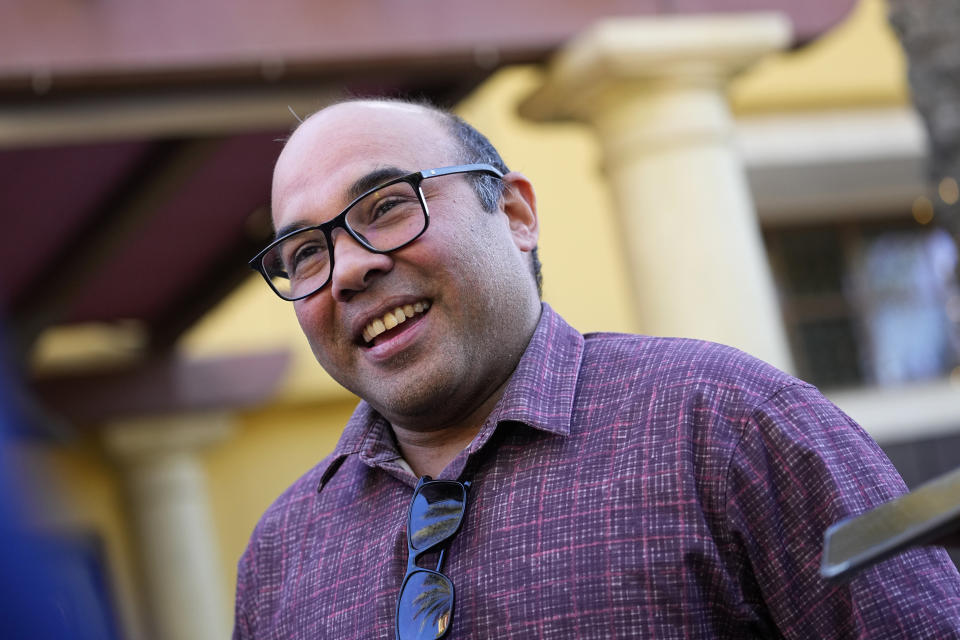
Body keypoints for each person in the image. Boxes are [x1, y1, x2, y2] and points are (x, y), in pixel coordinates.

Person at [233, 98, 960, 639]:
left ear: (515, 212)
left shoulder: (729, 422)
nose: (349, 269)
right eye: (304, 254)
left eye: (388, 206)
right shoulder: (280, 555)